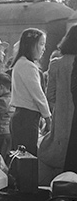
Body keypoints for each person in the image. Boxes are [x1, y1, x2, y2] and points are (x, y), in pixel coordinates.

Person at [39, 25, 77, 182]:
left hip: (60, 117)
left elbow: (50, 95)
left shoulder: (55, 64)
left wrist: (61, 106)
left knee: (60, 152)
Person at [10, 28, 52, 156]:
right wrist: (48, 118)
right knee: (28, 158)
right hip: (26, 119)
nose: (43, 48)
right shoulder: (27, 66)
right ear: (30, 45)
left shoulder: (21, 63)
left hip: (22, 118)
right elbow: (38, 95)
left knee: (21, 157)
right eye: (41, 44)